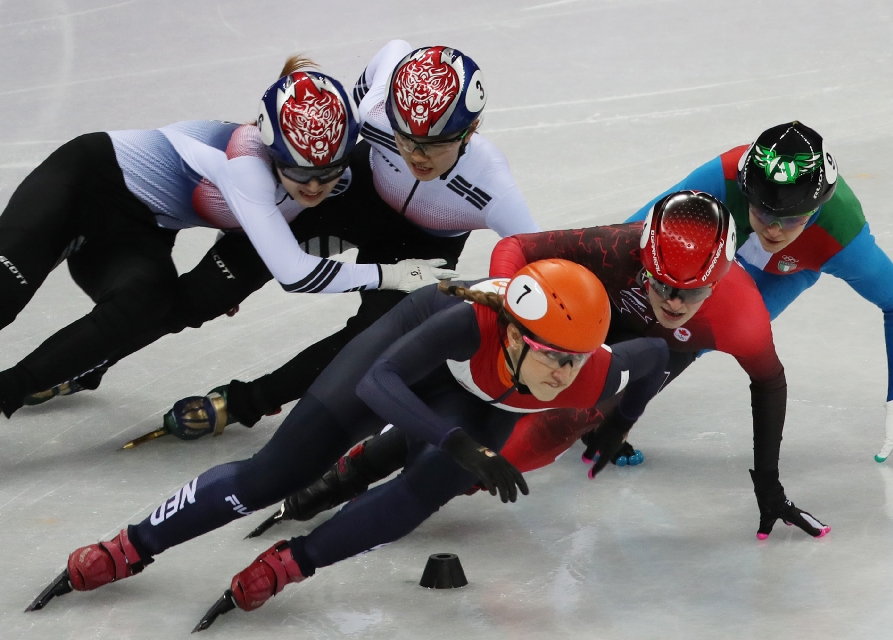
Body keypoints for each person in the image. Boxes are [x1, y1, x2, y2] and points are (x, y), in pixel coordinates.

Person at [28, 260, 670, 633]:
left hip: (477, 401)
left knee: (424, 492)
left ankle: (291, 563)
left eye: (576, 359)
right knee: (270, 476)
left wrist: (619, 424)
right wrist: (454, 440)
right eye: (553, 356)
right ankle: (133, 544)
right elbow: (379, 381)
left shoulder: (591, 372)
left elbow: (656, 356)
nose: (566, 373)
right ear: (511, 334)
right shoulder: (468, 322)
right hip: (408, 358)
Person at [246, 191, 830, 543]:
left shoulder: (741, 315)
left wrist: (769, 485)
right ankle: (341, 478)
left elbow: (769, 385)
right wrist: (507, 305)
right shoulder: (617, 244)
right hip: (561, 333)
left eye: (691, 293)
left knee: (500, 458)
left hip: (618, 365)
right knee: (469, 405)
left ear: (720, 281)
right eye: (660, 284)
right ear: (641, 256)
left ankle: (388, 493)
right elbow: (519, 248)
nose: (673, 302)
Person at [117, 39, 541, 444]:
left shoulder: (492, 185)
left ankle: (242, 402)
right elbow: (393, 49)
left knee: (370, 341)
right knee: (213, 287)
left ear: (472, 130)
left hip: (421, 247)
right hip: (356, 195)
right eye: (405, 136)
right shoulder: (376, 112)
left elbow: (542, 266)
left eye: (434, 144)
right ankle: (96, 354)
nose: (416, 155)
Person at [0, 59, 457, 418]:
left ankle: (10, 391)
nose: (315, 186)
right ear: (273, 149)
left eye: (328, 172)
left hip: (141, 230)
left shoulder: (316, 171)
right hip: (83, 184)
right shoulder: (248, 168)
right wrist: (393, 275)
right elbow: (294, 275)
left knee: (147, 303)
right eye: (299, 170)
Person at [623, 120, 893, 463]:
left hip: (789, 270)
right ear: (745, 191)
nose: (775, 230)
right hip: (726, 241)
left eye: (794, 219)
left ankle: (614, 413)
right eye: (764, 211)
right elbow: (630, 233)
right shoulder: (723, 178)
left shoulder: (841, 237)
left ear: (816, 210)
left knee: (696, 332)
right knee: (650, 291)